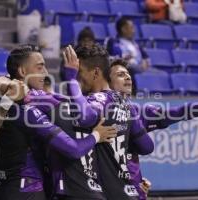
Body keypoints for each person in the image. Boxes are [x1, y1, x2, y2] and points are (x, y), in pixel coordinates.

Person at [0, 44, 117, 200]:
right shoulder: (28, 111)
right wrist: (97, 135)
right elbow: (73, 148)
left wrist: (3, 83)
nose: (46, 73)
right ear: (23, 71)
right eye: (40, 67)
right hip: (25, 188)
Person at [107, 58, 198, 199]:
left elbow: (179, 112)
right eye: (120, 74)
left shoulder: (140, 112)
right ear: (107, 82)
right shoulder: (96, 111)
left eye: (128, 74)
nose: (128, 76)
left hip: (134, 193)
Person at [63, 43, 155, 200]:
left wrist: (70, 79)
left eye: (80, 73)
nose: (79, 79)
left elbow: (86, 117)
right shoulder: (125, 104)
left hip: (109, 192)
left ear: (96, 73)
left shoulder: (98, 99)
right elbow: (146, 146)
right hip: (129, 191)